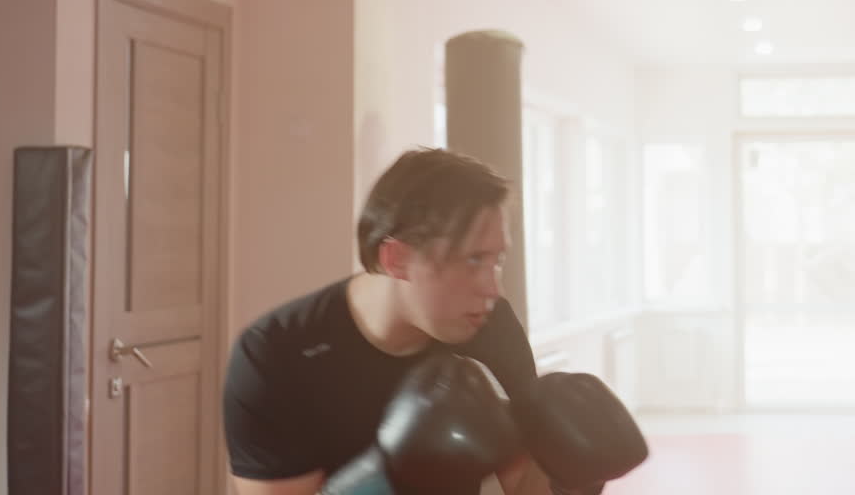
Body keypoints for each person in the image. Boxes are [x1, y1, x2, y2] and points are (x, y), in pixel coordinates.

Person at [223, 147, 646, 495]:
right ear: (398, 259)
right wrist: (383, 477)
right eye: (473, 260)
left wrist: (575, 477)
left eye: (497, 260)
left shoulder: (491, 326)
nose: (492, 288)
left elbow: (523, 486)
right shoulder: (278, 354)